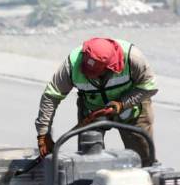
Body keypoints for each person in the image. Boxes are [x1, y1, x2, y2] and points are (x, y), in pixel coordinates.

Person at [35, 37, 158, 165]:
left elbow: (149, 87)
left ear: (110, 68)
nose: (89, 76)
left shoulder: (133, 58)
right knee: (89, 160)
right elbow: (51, 96)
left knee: (143, 158)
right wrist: (43, 134)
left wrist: (123, 103)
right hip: (92, 112)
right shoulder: (72, 64)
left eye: (95, 73)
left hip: (131, 110)